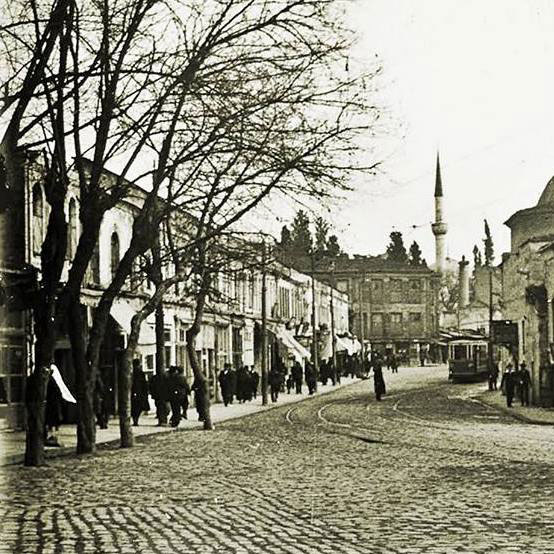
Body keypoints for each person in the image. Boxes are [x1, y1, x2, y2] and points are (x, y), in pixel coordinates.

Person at [131, 360, 149, 426]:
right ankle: (136, 420)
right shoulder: (140, 373)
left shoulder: (132, 372)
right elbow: (144, 384)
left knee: (135, 407)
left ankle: (135, 420)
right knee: (137, 407)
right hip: (139, 393)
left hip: (135, 392)